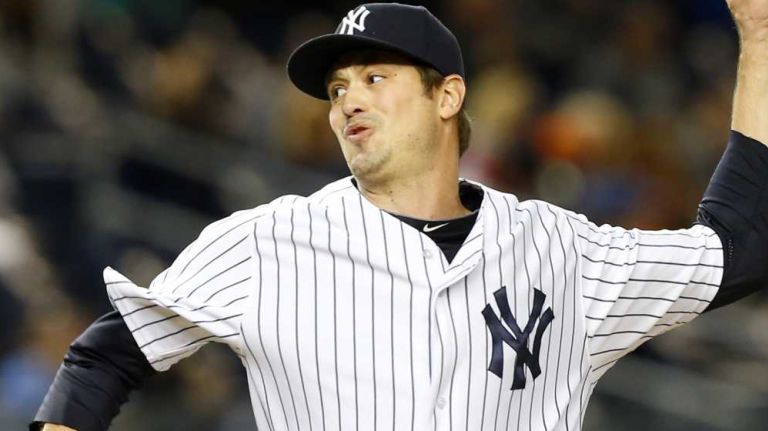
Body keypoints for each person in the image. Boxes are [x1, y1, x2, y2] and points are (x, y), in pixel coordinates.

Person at [33, 1, 768, 430]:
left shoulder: (561, 250)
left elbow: (739, 247)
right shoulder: (264, 243)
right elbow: (106, 355)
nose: (348, 97)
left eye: (375, 77)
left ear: (446, 97)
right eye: (337, 87)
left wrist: (761, 40)